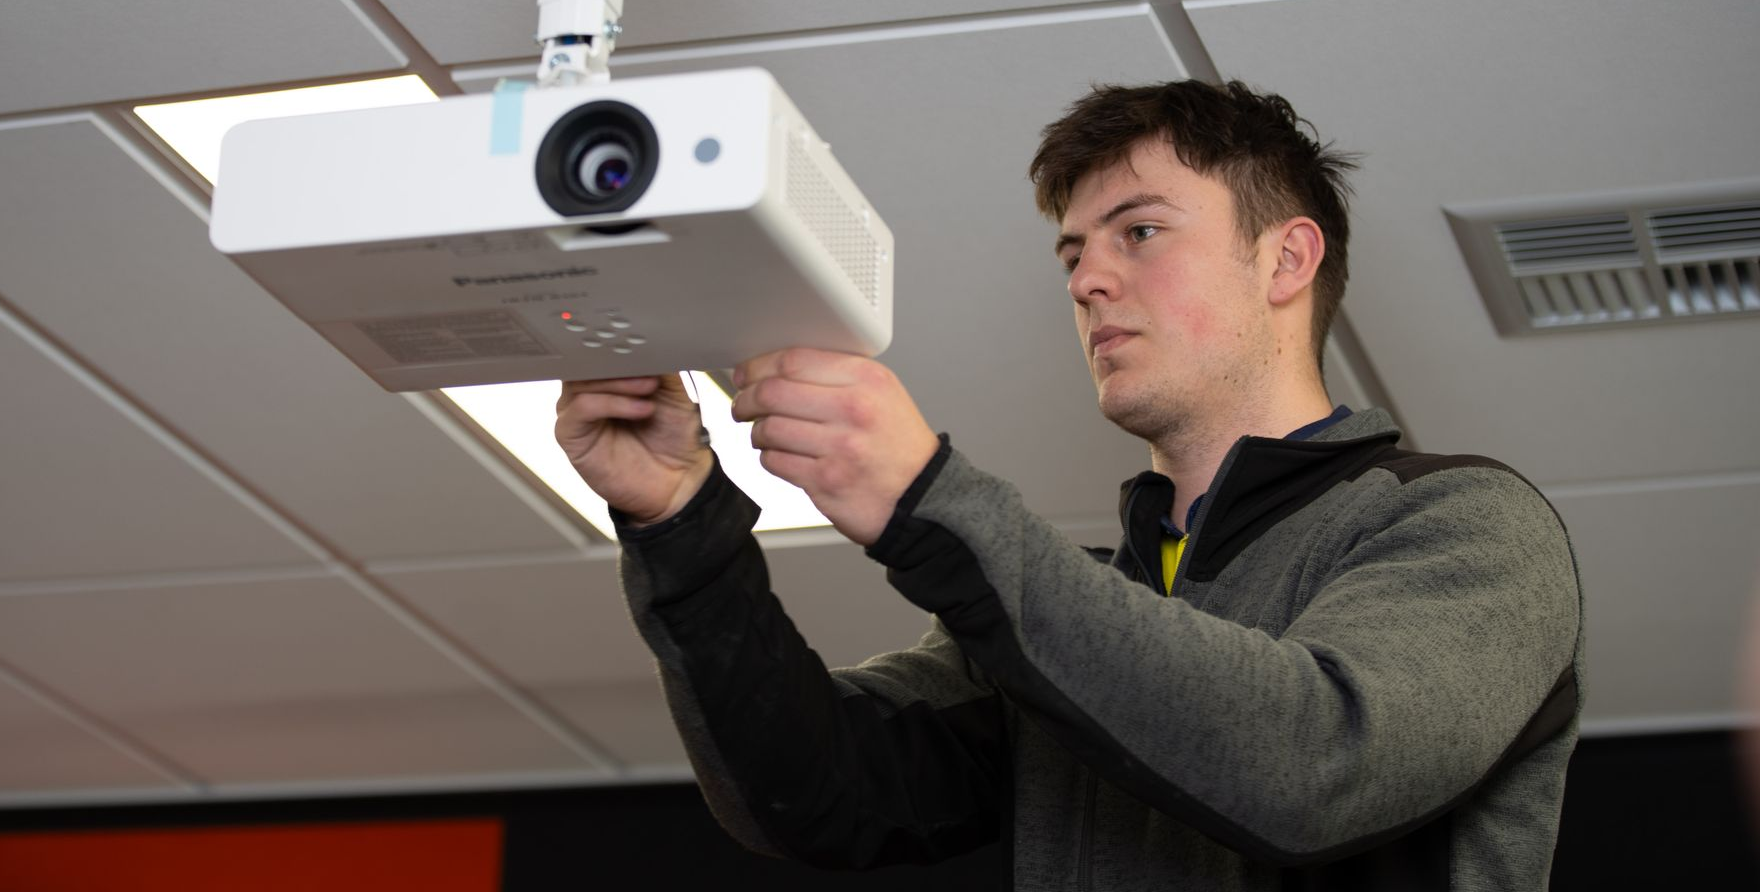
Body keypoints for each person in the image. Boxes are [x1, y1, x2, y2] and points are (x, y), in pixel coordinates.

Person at [554, 80, 1585, 890]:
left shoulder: (1461, 524)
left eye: (1139, 231)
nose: (1088, 278)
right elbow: (811, 793)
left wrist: (929, 501)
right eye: (1074, 252)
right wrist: (681, 524)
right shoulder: (1060, 615)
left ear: (1286, 260)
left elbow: (1315, 763)